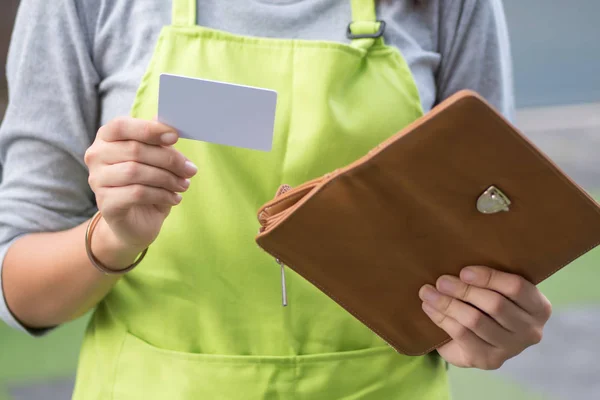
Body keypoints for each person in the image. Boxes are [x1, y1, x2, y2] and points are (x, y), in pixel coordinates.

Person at [0, 0, 552, 398]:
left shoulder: (452, 6)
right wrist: (115, 236)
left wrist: (481, 326)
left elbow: (484, 236)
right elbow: (20, 293)